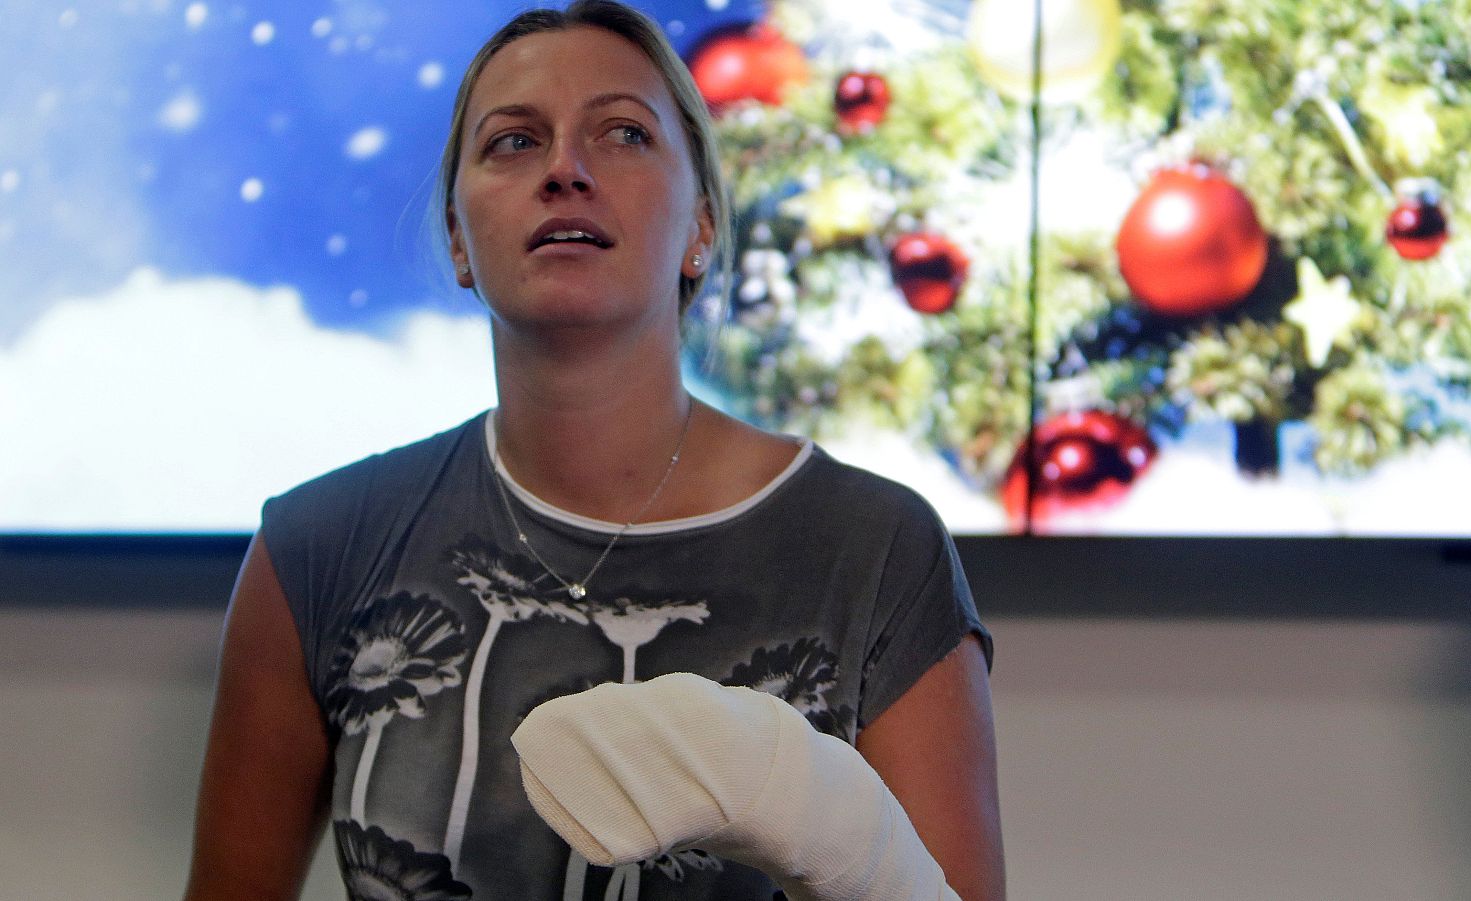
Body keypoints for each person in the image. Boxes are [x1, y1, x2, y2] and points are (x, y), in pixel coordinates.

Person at [184, 2, 1003, 898]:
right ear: (458, 237)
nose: (565, 170)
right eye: (512, 142)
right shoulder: (315, 548)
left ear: (700, 226)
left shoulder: (876, 549)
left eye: (622, 133)